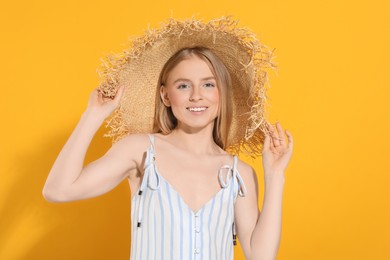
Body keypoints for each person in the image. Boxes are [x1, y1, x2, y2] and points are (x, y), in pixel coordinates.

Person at [42, 17, 293, 260]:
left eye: (208, 84)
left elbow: (261, 256)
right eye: (183, 86)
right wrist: (93, 115)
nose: (196, 96)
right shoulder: (140, 150)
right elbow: (58, 190)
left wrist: (275, 174)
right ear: (165, 95)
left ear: (222, 94)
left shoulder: (239, 173)